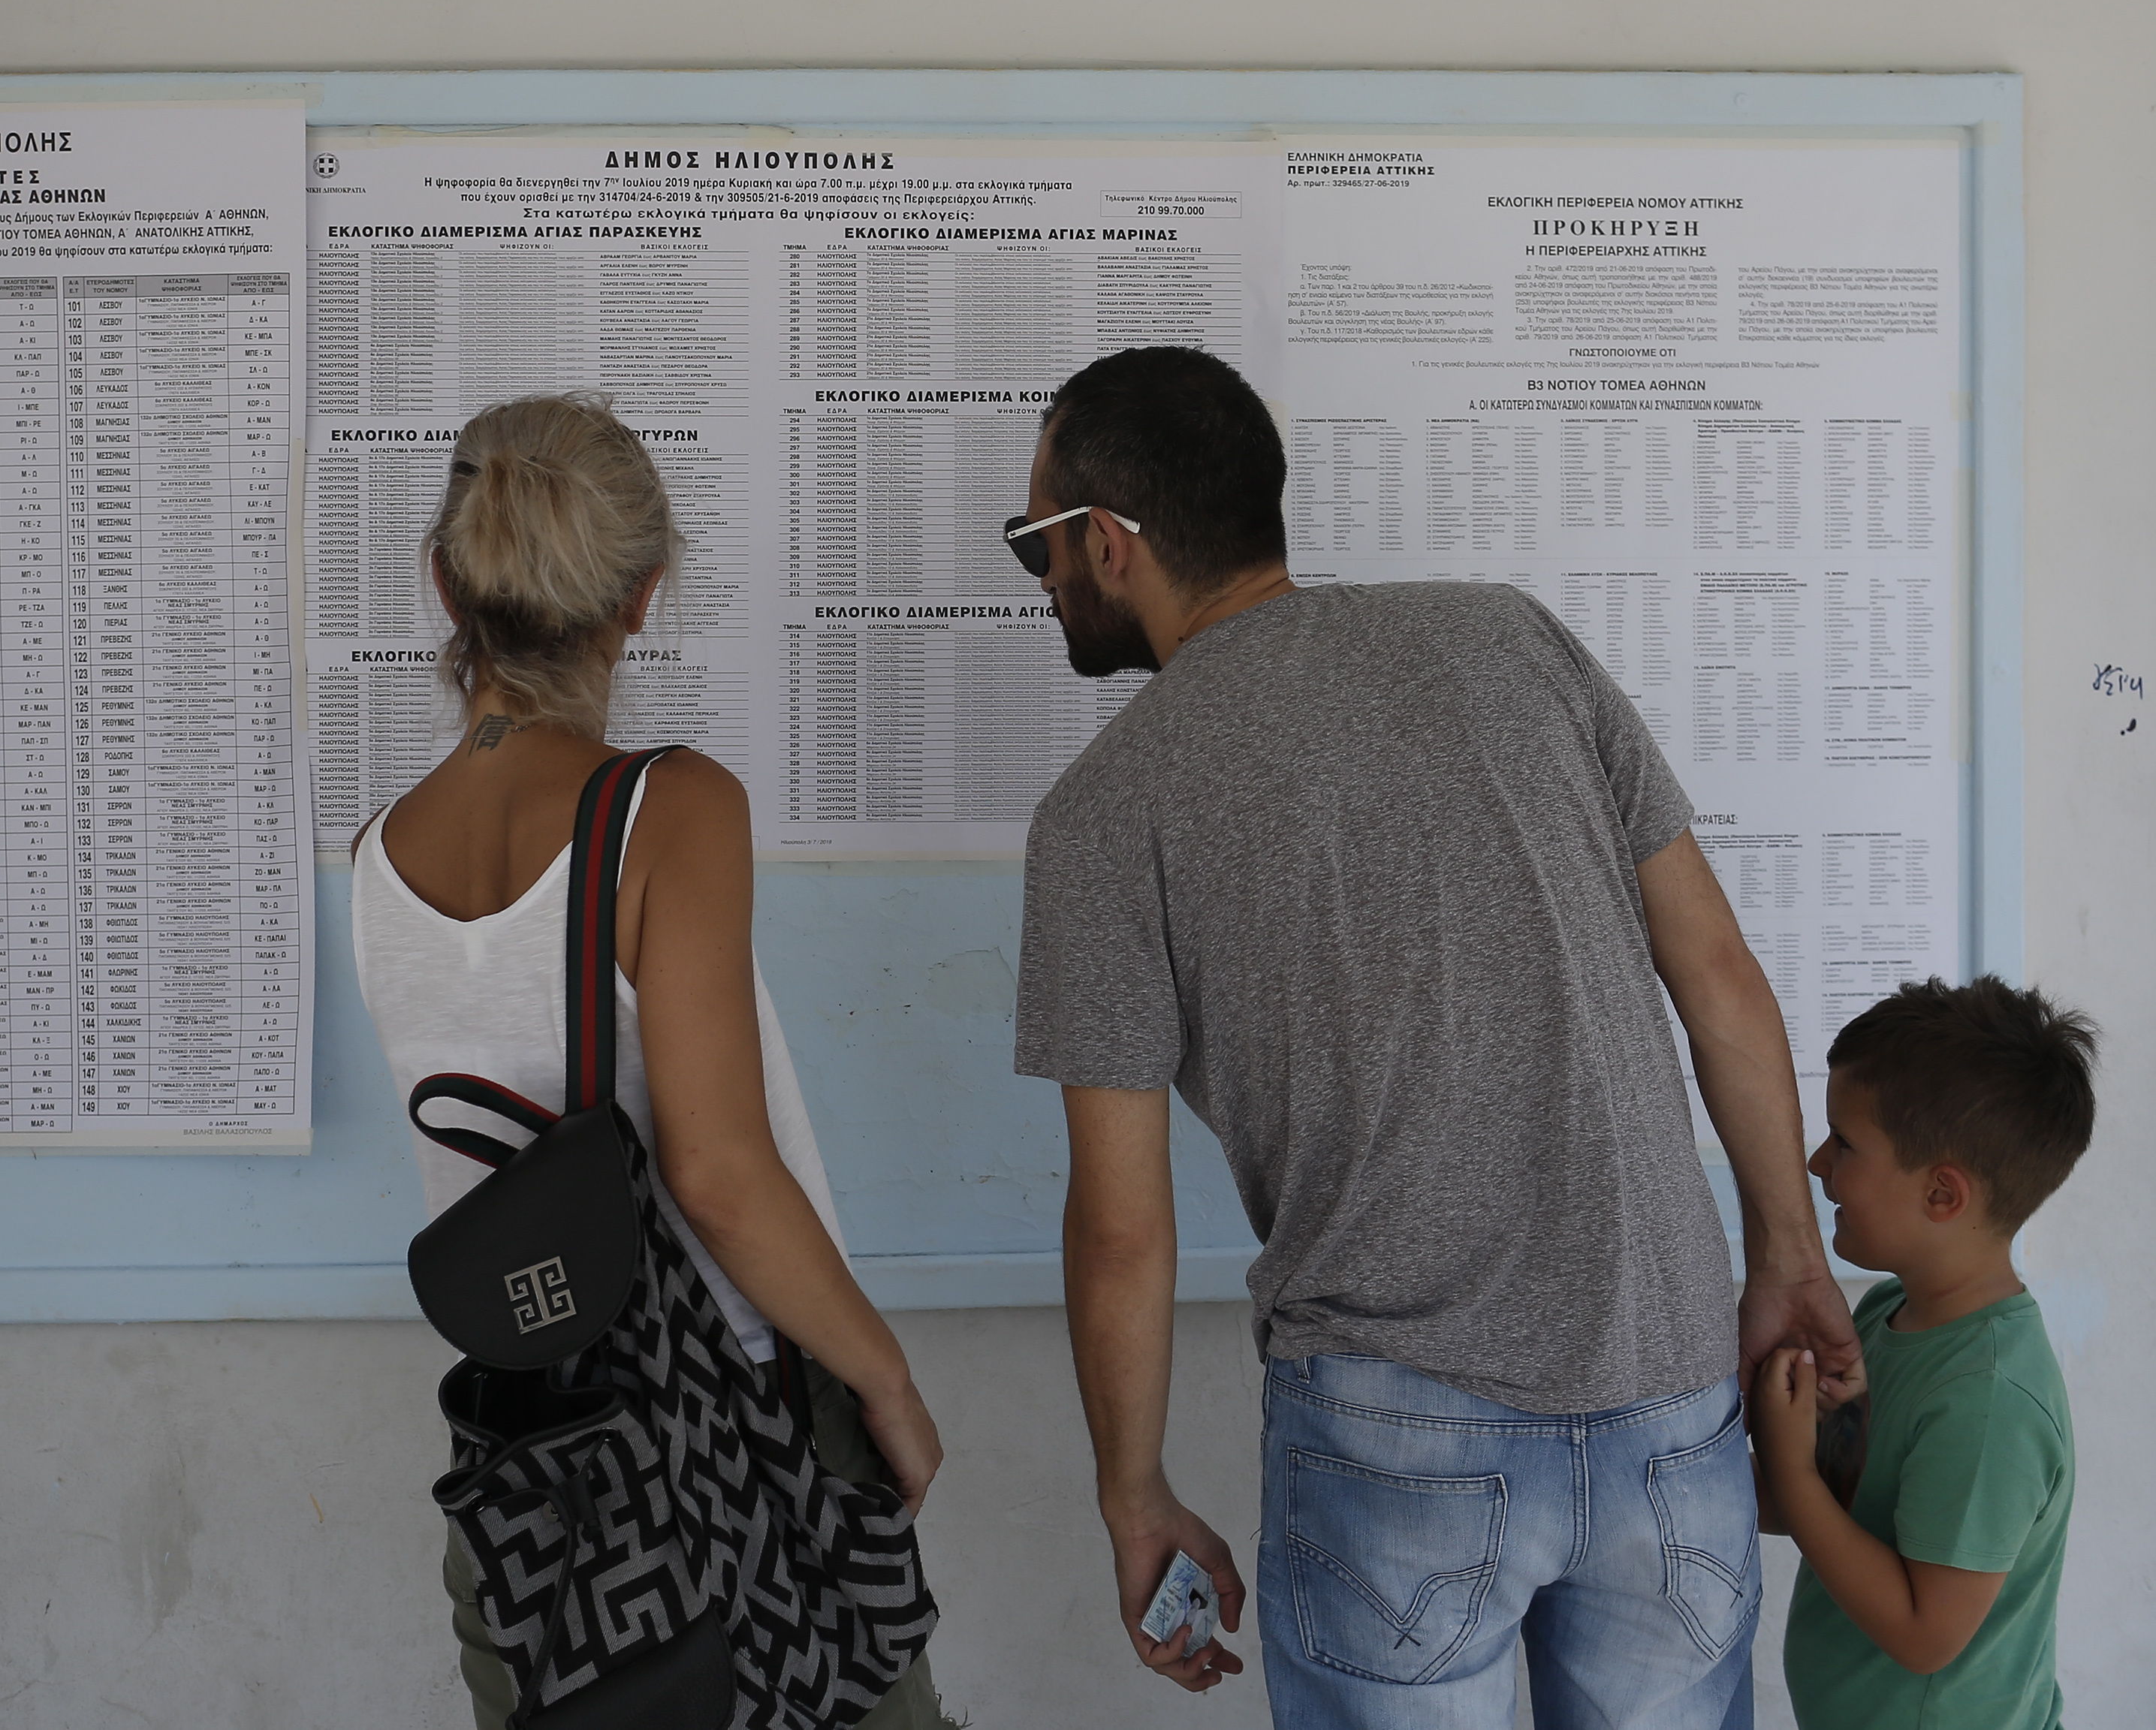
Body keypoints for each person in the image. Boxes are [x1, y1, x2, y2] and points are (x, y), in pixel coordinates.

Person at [1007, 346, 1861, 1728]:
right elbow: (1715, 973)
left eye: (1033, 539)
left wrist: (1132, 1489)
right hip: (1666, 1383)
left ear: (1108, 540)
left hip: (1391, 1429)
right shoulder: (1513, 640)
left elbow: (1119, 1225)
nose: (1037, 573)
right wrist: (1787, 1256)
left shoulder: (1104, 812)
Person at [351, 393, 952, 1730]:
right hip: (730, 1427)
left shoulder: (375, 854)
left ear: (445, 582)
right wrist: (885, 1379)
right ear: (642, 596)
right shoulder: (668, 809)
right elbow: (718, 1174)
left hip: (529, 1473)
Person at [1749, 976, 2090, 1729]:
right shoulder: (1885, 1312)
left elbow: (1924, 1635)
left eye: (1844, 1142)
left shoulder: (1989, 1398)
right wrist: (1787, 1440)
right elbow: (1836, 1500)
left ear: (1942, 1194)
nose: (1816, 1162)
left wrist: (1794, 1470)